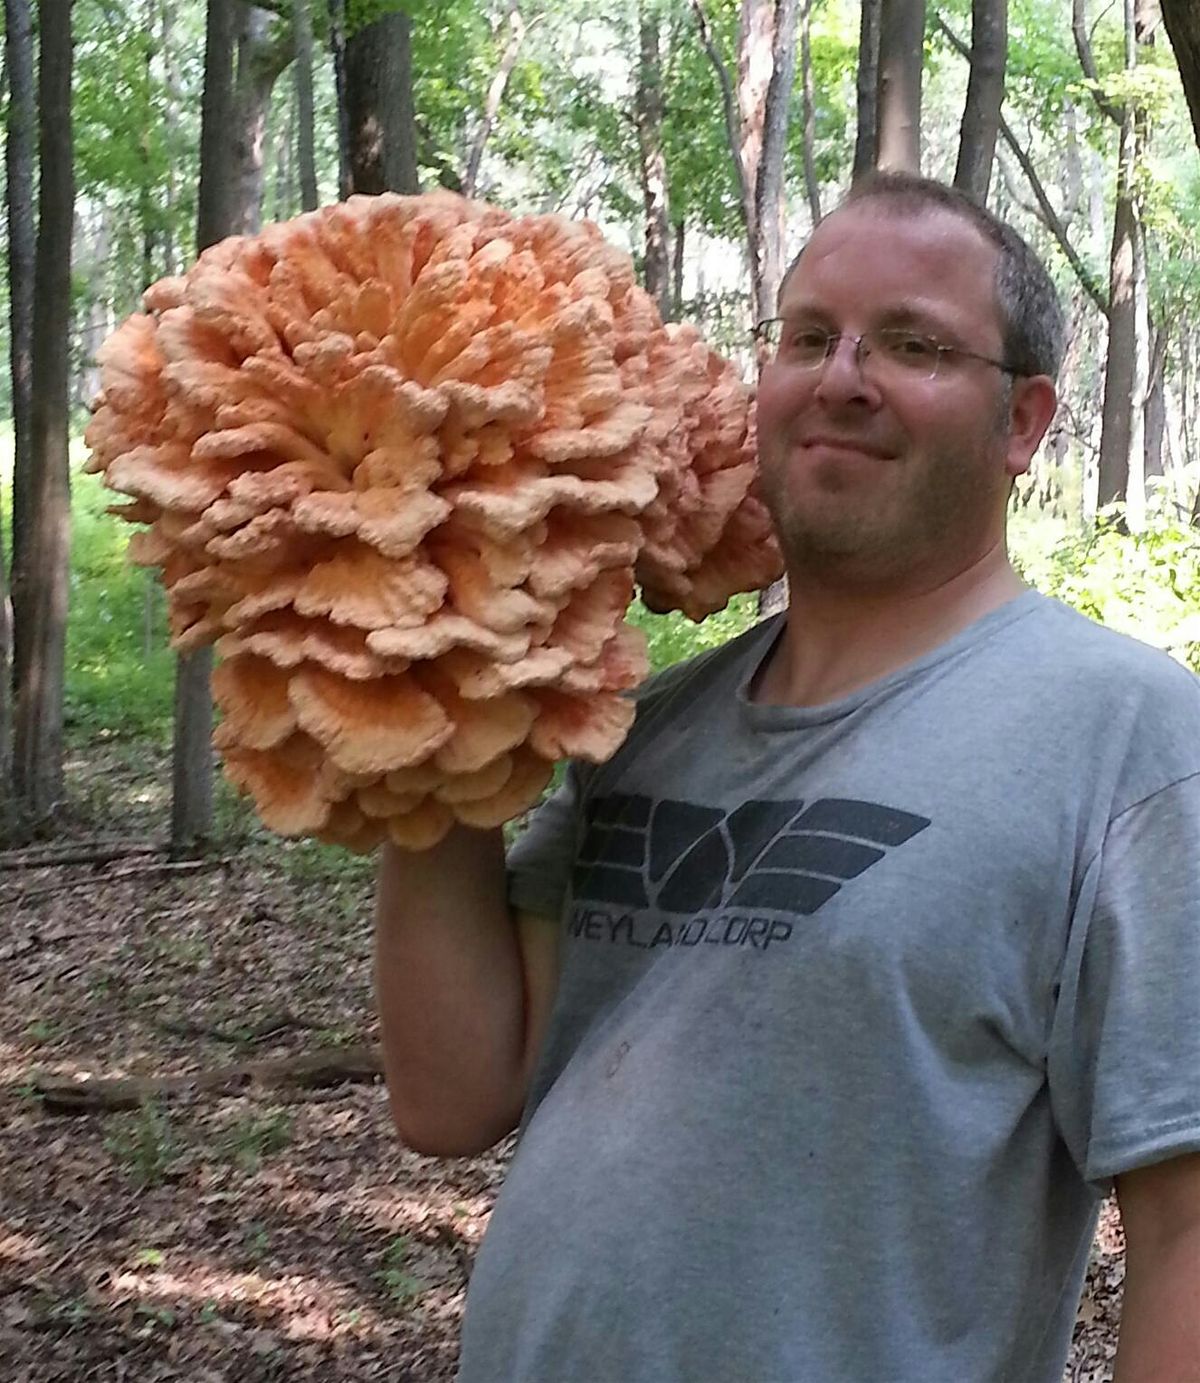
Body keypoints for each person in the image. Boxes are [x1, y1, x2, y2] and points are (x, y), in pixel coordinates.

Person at [374, 172, 1200, 1383]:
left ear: (1022, 422)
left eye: (913, 343)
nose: (842, 376)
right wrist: (432, 690)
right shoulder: (643, 725)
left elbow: (1187, 1233)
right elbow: (449, 1099)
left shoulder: (1132, 744)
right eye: (808, 335)